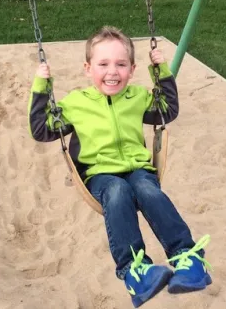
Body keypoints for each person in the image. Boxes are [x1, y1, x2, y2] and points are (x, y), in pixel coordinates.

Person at [27, 26, 212, 307]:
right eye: (103, 64)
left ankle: (187, 258)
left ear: (132, 68)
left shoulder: (137, 97)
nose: (112, 72)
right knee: (117, 191)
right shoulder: (76, 103)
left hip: (138, 168)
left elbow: (167, 110)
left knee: (148, 191)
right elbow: (41, 129)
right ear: (88, 68)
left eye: (121, 64)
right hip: (99, 174)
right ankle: (135, 271)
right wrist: (42, 87)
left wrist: (160, 69)